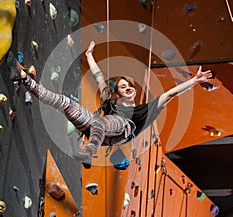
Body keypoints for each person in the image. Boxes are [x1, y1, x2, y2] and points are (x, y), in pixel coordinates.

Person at [19, 41, 212, 165]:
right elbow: (99, 77)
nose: (127, 87)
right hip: (96, 129)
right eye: (122, 86)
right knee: (67, 103)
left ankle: (88, 152)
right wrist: (89, 56)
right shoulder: (110, 104)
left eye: (129, 85)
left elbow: (171, 94)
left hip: (120, 131)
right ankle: (26, 81)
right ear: (117, 93)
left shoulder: (144, 111)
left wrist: (194, 81)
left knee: (104, 122)